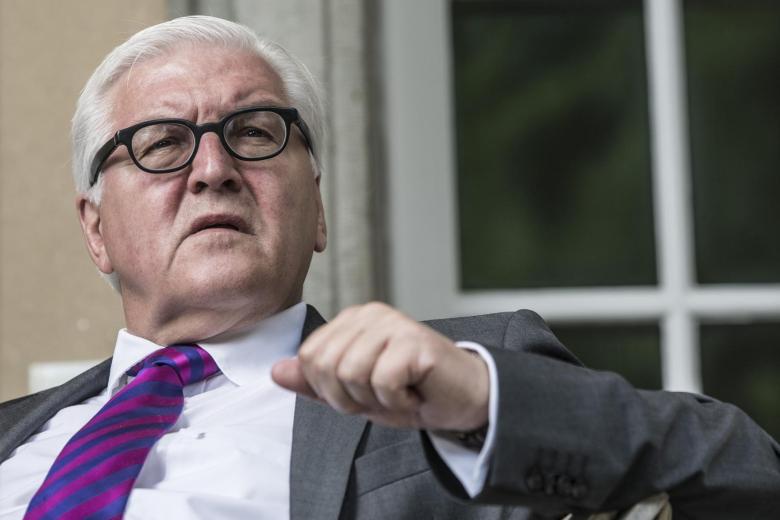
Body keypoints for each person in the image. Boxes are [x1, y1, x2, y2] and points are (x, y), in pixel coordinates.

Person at [0, 15, 778, 520]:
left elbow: (747, 476)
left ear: (318, 209)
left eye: (256, 131)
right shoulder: (17, 435)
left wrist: (483, 403)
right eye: (163, 144)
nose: (213, 169)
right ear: (96, 230)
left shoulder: (460, 382)